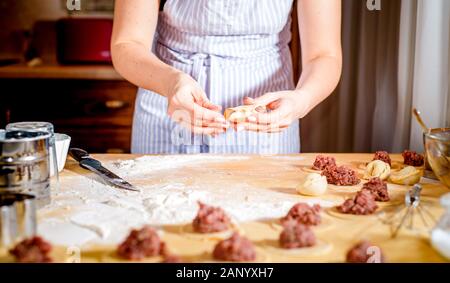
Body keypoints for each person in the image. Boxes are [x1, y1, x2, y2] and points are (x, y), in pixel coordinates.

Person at [111, 0, 342, 154]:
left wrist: (302, 99)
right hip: (169, 107)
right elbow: (127, 44)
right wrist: (170, 83)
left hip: (264, 122)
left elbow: (324, 55)